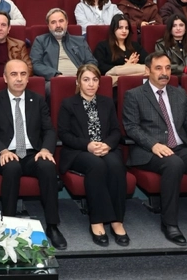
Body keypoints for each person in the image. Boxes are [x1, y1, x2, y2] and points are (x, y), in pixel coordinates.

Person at [122, 52, 187, 246]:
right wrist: (153, 144)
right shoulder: (134, 95)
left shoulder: (179, 94)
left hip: (179, 146)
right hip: (149, 150)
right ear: (147, 70)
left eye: (167, 68)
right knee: (173, 164)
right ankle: (170, 223)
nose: (164, 73)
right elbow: (131, 127)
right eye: (158, 68)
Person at [0, 59, 66, 249]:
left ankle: (52, 226)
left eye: (23, 74)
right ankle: (8, 225)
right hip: (6, 153)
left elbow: (49, 130)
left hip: (32, 153)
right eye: (14, 74)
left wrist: (45, 149)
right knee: (12, 167)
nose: (19, 79)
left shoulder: (37, 100)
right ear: (5, 78)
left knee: (47, 166)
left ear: (28, 78)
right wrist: (3, 150)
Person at [58, 64, 129, 246]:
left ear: (99, 83)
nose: (91, 84)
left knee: (116, 165)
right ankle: (97, 221)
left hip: (105, 148)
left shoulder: (107, 102)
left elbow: (116, 131)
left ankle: (117, 220)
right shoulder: (68, 104)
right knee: (96, 165)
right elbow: (64, 134)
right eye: (86, 79)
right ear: (78, 82)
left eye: (95, 80)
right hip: (79, 151)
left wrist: (107, 145)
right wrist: (88, 145)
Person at [30, 8, 98, 80]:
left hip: (80, 80)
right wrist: (55, 75)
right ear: (48, 25)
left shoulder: (80, 41)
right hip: (54, 81)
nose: (58, 25)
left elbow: (92, 62)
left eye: (61, 21)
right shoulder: (40, 41)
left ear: (67, 22)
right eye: (53, 22)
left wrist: (82, 75)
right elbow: (35, 64)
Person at [93, 14, 148, 78]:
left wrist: (132, 65)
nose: (124, 31)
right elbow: (100, 67)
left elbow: (148, 61)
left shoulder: (135, 45)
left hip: (136, 78)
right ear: (113, 29)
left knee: (149, 69)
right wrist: (125, 66)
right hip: (115, 79)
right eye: (120, 28)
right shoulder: (103, 46)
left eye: (126, 28)